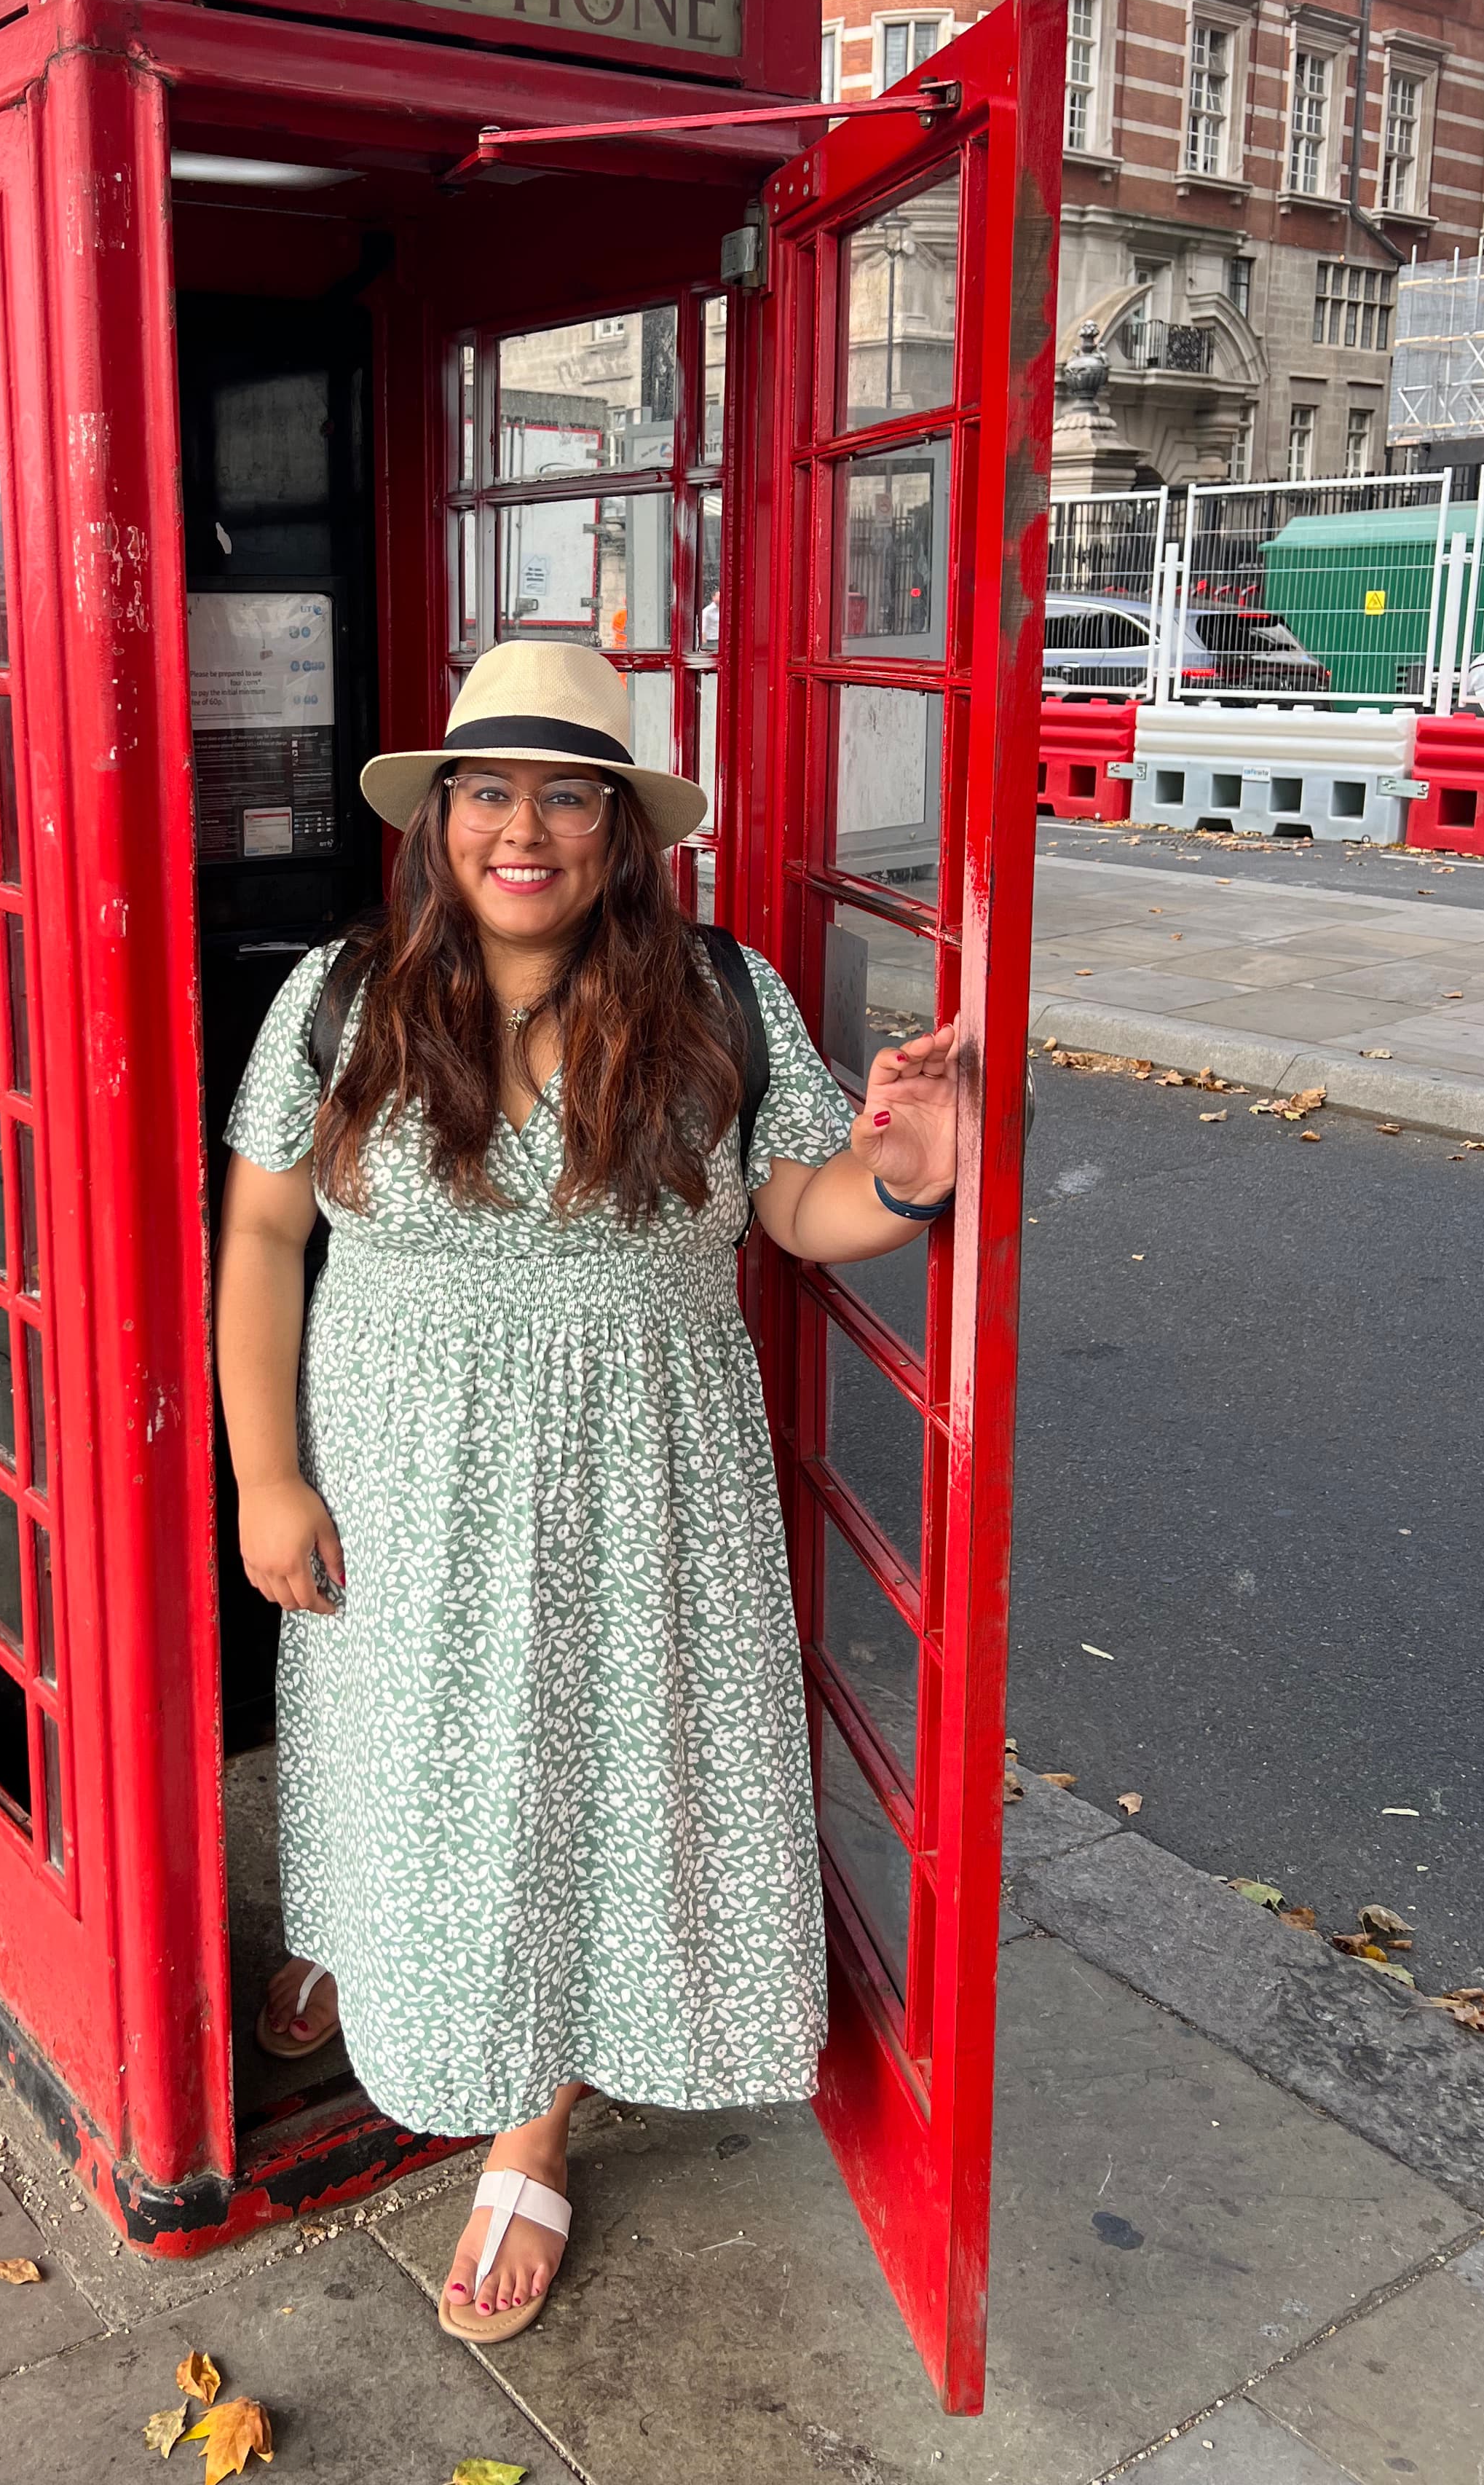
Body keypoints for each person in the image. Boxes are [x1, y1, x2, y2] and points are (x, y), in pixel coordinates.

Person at [215, 640, 959, 2348]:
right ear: (443, 817)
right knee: (391, 1743)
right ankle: (374, 1946)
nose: (524, 826)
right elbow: (264, 1231)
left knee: (570, 1780)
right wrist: (266, 1476)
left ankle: (529, 2125)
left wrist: (906, 1174)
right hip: (399, 1476)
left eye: (568, 792)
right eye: (492, 789)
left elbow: (798, 1211)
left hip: (639, 1489)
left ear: (623, 831)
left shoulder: (721, 996)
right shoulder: (343, 996)